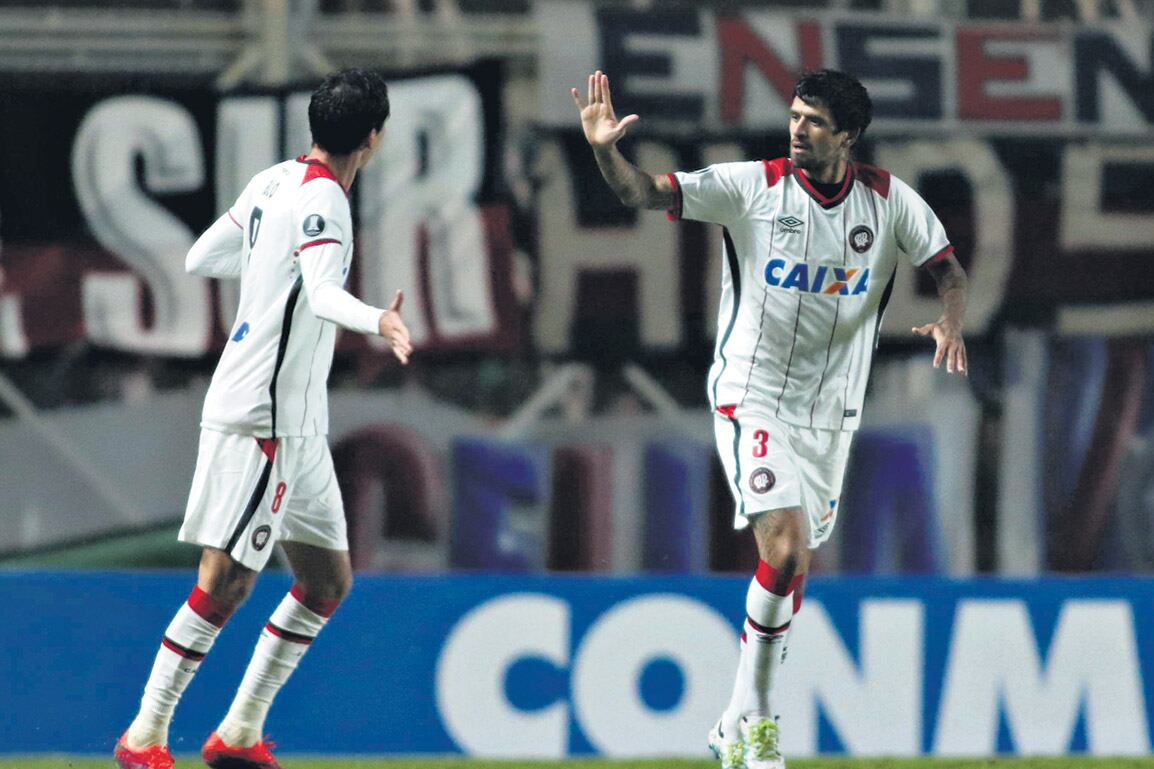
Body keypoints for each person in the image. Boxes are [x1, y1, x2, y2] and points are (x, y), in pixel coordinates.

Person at [572, 69, 968, 769]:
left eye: (813, 121)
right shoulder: (751, 186)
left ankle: (732, 719)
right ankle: (757, 729)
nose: (797, 128)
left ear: (847, 134)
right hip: (750, 393)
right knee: (783, 547)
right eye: (793, 115)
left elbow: (949, 269)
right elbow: (641, 192)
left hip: (831, 415)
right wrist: (605, 149)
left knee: (792, 566)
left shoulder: (889, 202)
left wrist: (951, 323)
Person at [114, 68, 412, 769]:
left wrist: (263, 263)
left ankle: (239, 732)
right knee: (226, 580)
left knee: (327, 580)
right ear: (373, 138)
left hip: (298, 422)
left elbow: (198, 258)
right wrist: (379, 318)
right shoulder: (328, 203)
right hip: (263, 417)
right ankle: (144, 735)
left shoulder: (273, 181)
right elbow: (321, 291)